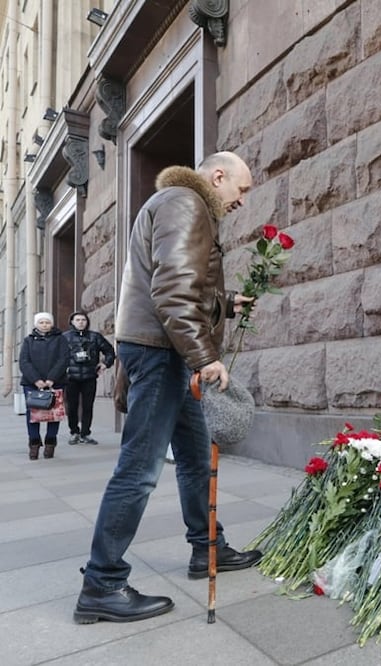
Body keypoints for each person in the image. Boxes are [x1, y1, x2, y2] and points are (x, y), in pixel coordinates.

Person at [75, 152, 261, 624]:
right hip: (164, 353)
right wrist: (206, 357)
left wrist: (225, 301)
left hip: (161, 350)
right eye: (240, 190)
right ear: (217, 176)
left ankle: (207, 548)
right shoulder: (186, 203)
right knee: (138, 471)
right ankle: (102, 582)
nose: (242, 200)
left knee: (196, 459)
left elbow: (175, 284)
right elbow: (173, 289)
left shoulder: (174, 202)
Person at [20, 312, 69, 460]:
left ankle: (50, 443)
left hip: (55, 382)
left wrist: (51, 379)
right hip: (31, 383)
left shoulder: (60, 339)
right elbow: (24, 361)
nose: (44, 325)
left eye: (47, 322)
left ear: (51, 323)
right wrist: (36, 380)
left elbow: (63, 359)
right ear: (36, 324)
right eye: (41, 322)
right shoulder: (28, 340)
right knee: (32, 414)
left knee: (54, 414)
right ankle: (34, 444)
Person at [63, 311, 116, 445]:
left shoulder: (95, 337)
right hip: (71, 377)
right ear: (72, 322)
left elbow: (110, 351)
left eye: (83, 320)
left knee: (88, 406)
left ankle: (85, 433)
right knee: (72, 406)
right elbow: (56, 356)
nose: (81, 322)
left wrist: (105, 364)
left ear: (87, 322)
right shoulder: (65, 337)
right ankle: (74, 432)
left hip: (89, 376)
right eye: (78, 320)